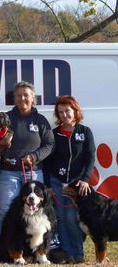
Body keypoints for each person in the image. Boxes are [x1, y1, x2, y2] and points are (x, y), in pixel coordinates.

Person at [0, 81, 54, 236]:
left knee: (36, 211)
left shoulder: (40, 120)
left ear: (33, 98)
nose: (22, 98)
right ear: (14, 99)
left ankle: (31, 247)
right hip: (8, 172)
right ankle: (3, 246)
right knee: (5, 208)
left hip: (33, 172)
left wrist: (34, 156)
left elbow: (50, 144)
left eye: (26, 95)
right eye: (19, 95)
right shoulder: (5, 117)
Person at [43, 95, 95, 264]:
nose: (64, 115)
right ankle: (68, 253)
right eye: (61, 112)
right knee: (61, 218)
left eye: (67, 111)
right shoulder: (54, 133)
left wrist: (85, 179)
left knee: (72, 218)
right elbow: (47, 161)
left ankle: (78, 253)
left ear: (74, 111)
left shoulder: (85, 132)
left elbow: (90, 158)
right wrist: (48, 185)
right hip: (57, 181)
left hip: (75, 184)